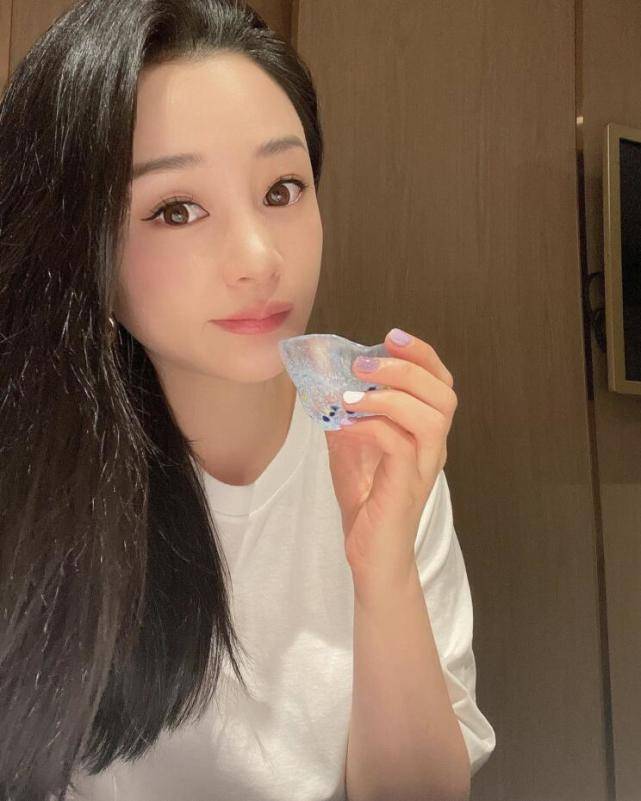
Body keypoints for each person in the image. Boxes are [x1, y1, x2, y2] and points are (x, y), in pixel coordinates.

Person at [0, 1, 496, 799]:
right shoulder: (27, 476)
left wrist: (383, 573)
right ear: (78, 244)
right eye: (175, 209)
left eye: (282, 188)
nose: (260, 258)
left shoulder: (379, 450)